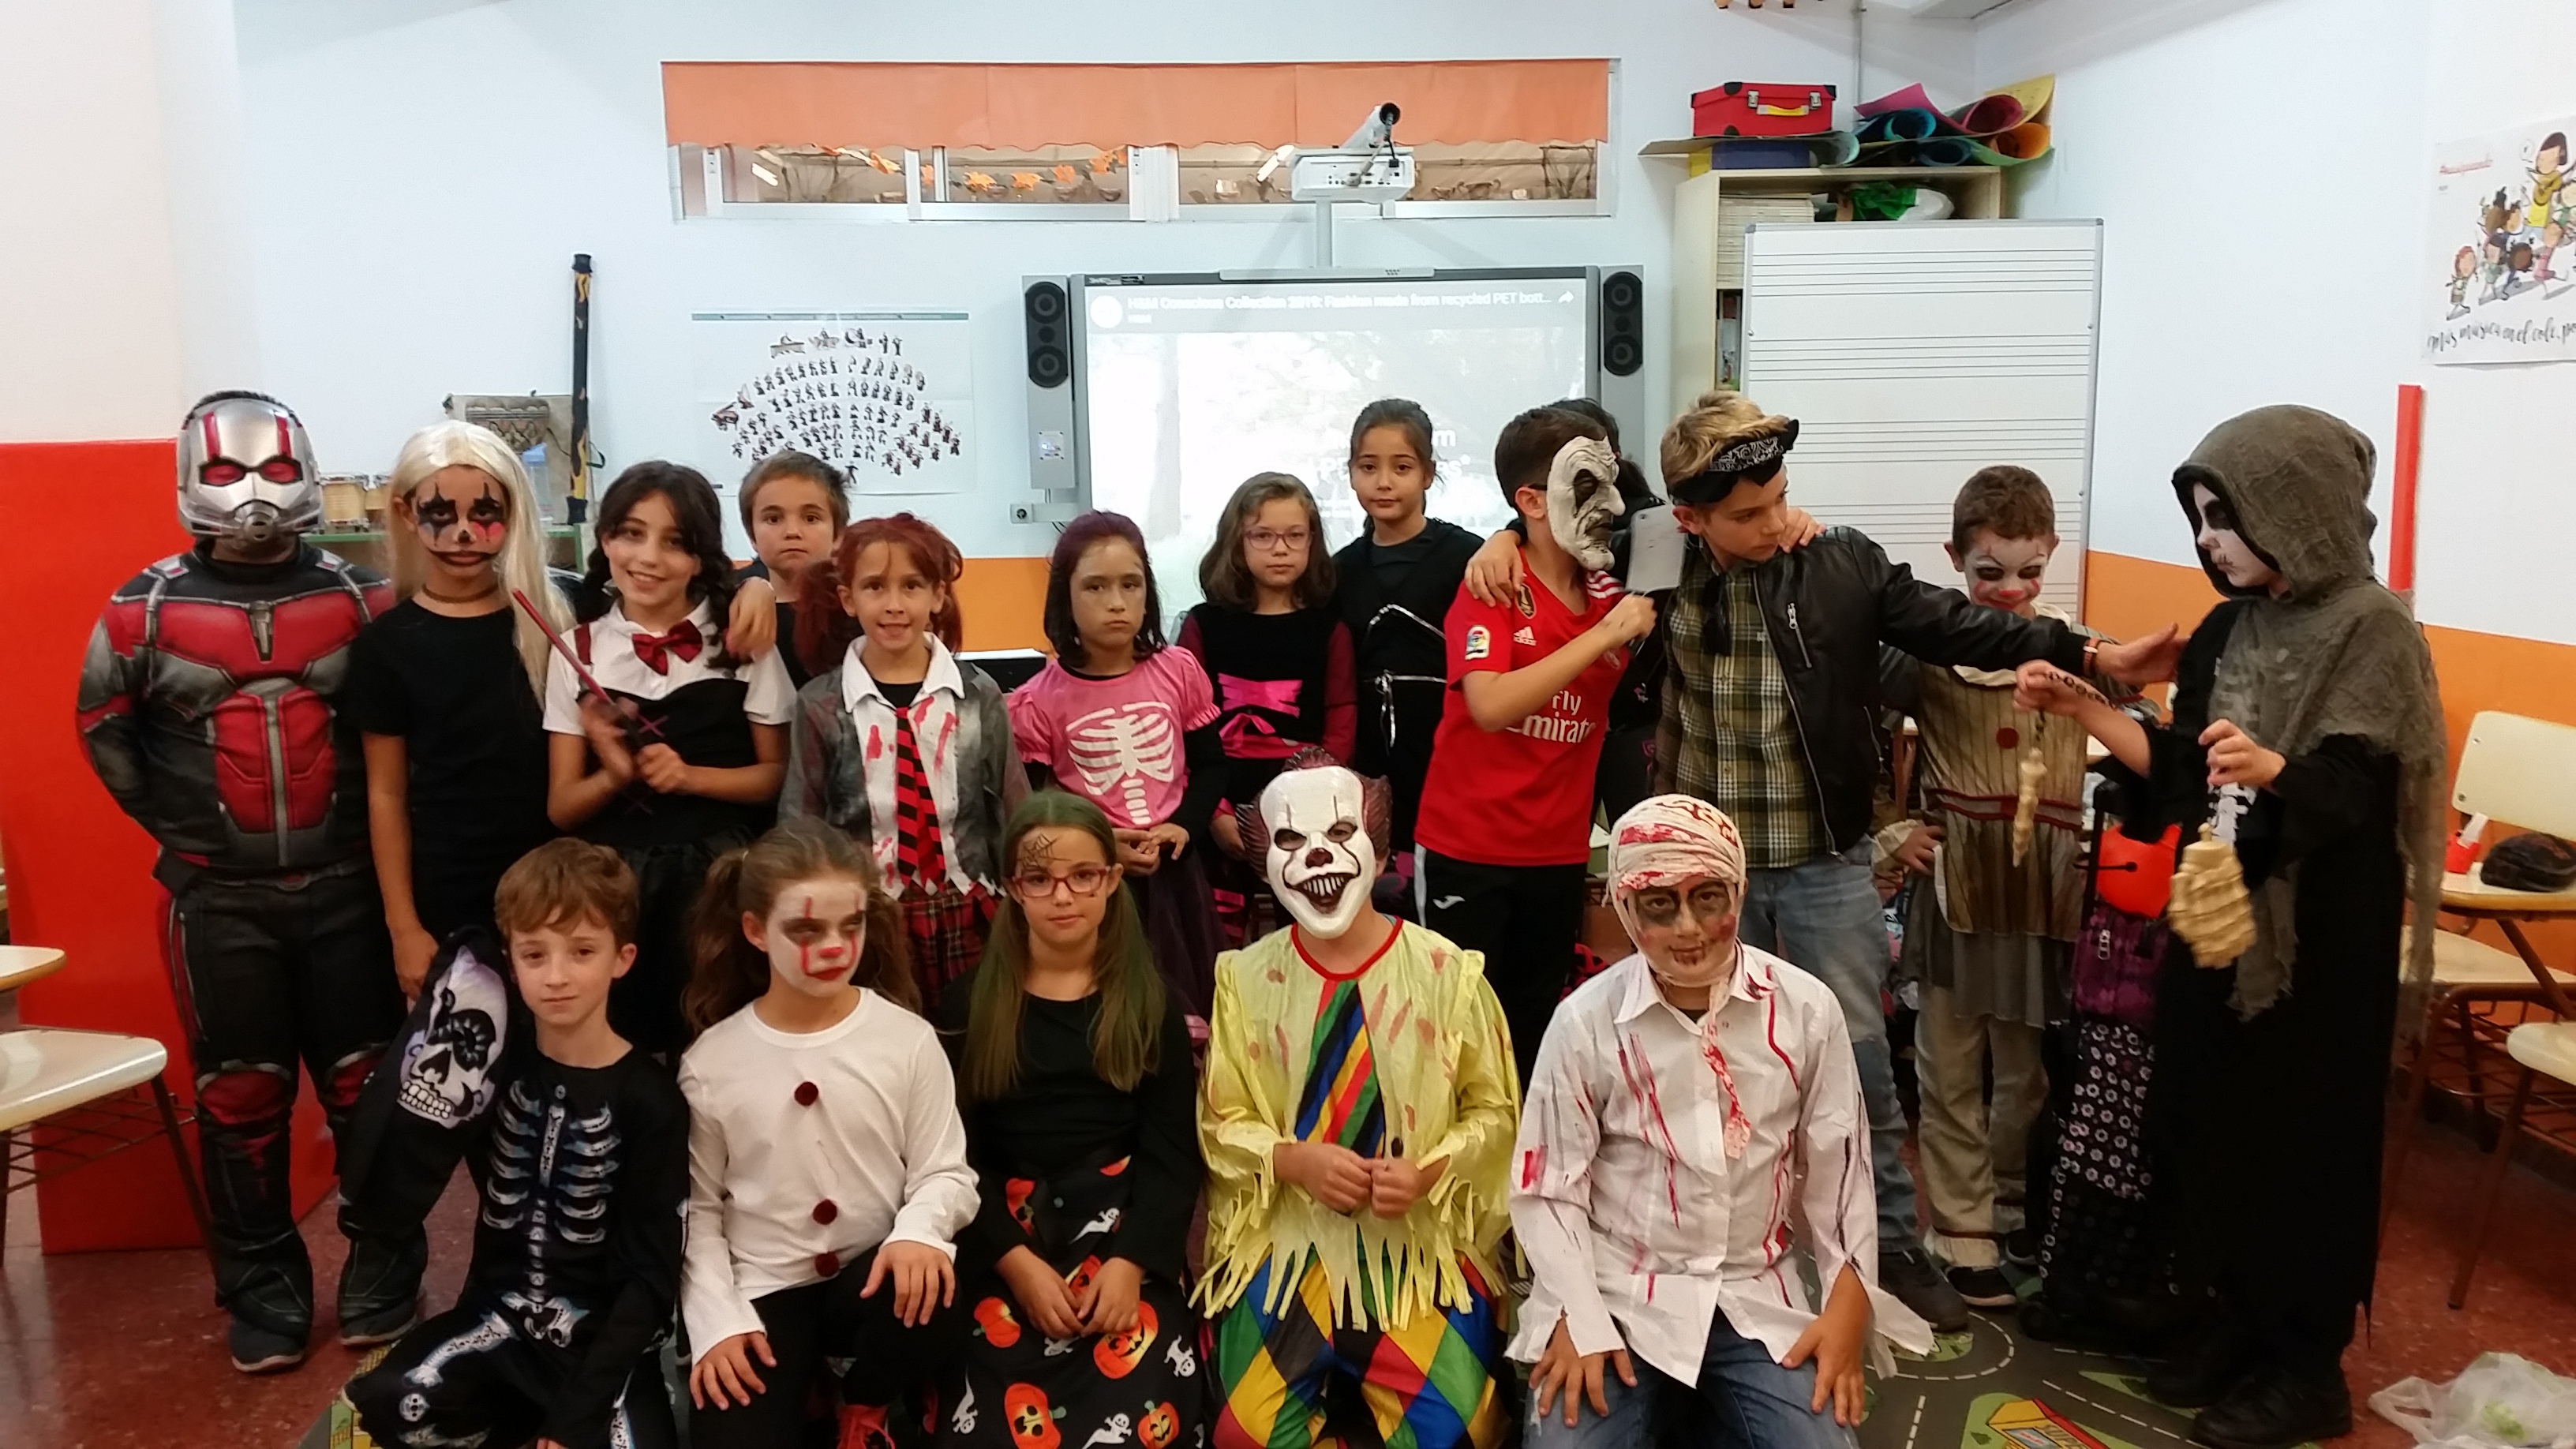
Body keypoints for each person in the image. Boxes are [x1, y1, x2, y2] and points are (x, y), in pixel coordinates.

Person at [1649, 389, 2180, 1331]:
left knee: (1860, 1060)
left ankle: (1892, 1242)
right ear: (1692, 519)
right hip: (1708, 870)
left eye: (1780, 499)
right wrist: (1503, 545)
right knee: (1706, 1055)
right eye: (1748, 514)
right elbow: (1565, 520)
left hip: (1824, 862)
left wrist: (2096, 654)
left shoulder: (1837, 561)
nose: (1775, 523)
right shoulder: (1652, 561)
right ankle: (1717, 1242)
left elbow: (1957, 624)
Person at [2014, 405, 2443, 1449]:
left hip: (2316, 948)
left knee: (2304, 1145)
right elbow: (2179, 776)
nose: (2209, 542)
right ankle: (2232, 1323)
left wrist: (2277, 770)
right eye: (2201, 519)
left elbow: (2355, 791)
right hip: (2216, 924)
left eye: (2226, 518)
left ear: (2295, 511)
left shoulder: (2373, 629)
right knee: (2208, 1123)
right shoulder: (2227, 628)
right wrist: (2086, 710)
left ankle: (2306, 1367)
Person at [74, 390, 415, 1371]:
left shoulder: (365, 600)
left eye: (275, 469)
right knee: (239, 1096)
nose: (254, 493)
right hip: (217, 901)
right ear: (192, 477)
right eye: (227, 472)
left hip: (350, 887)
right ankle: (263, 1285)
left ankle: (383, 1266)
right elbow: (104, 733)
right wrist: (191, 837)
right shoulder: (140, 611)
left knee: (369, 1089)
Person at [1511, 796, 1934, 1448]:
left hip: (1752, 1291)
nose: (1688, 928)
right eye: (1659, 904)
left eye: (1708, 897)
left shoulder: (1805, 1010)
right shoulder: (1584, 1023)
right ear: (1624, 907)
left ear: (1739, 889)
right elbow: (1548, 1188)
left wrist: (1849, 1297)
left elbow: (1841, 1169)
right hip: (1617, 1291)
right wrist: (1576, 1311)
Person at [1875, 466, 2142, 1307]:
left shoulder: (2083, 648)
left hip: (2046, 893)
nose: (2012, 590)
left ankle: (2014, 1208)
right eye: (1990, 572)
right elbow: (1853, 733)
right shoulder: (1922, 653)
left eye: (2030, 570)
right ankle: (1961, 1227)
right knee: (1950, 1065)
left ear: (2053, 552)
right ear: (1955, 557)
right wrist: (1891, 831)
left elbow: (2147, 739)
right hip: (1957, 883)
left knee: (2026, 1074)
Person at [1200, 756, 1519, 1449]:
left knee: (1460, 1431)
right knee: (1241, 1433)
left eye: (1339, 832)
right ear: (1263, 862)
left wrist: (1430, 1171)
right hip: (1291, 1248)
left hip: (1413, 1251)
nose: (1317, 855)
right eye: (1291, 840)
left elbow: (1496, 1114)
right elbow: (1222, 1119)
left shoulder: (1449, 974)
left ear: (1378, 852)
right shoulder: (1242, 980)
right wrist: (1291, 1160)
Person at [340, 840, 689, 1449]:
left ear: (623, 958)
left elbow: (651, 1280)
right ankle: (510, 1417)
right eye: (534, 954)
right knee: (377, 1408)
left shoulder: (652, 1099)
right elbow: (402, 1137)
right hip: (495, 1321)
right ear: (510, 962)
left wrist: (576, 1418)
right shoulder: (492, 1070)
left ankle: (542, 1420)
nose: (556, 976)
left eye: (582, 951)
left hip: (604, 1347)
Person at [677, 818, 979, 1449]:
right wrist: (716, 1323)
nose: (836, 948)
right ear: (755, 930)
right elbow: (698, 1213)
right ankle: (805, 1391)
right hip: (765, 1289)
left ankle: (864, 1401)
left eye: (851, 925)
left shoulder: (907, 1039)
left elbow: (944, 1171)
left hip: (873, 1280)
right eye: (806, 930)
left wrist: (918, 1232)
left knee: (938, 1287)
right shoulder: (711, 1063)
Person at [936, 791, 1207, 1449]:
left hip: (1122, 1228)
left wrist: (1132, 1263)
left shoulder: (1150, 1005)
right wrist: (1014, 1264)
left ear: (1112, 880)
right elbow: (953, 1157)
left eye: (1083, 876)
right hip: (1004, 1233)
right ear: (1013, 887)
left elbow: (1173, 1154)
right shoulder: (968, 1006)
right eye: (1040, 879)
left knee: (1144, 1422)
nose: (1063, 896)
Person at [1416, 406, 1654, 1086]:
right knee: (1458, 1036)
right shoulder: (1494, 581)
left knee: (1534, 1031)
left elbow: (1690, 521)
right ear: (1532, 500)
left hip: (1556, 852)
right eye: (1588, 485)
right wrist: (1603, 637)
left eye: (1611, 483)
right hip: (1470, 850)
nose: (1610, 505)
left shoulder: (1612, 584)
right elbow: (1490, 705)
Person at [544, 461, 795, 1055]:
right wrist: (614, 775)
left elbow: (776, 778)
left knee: (720, 1034)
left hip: (717, 878)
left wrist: (689, 777)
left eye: (675, 542)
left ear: (701, 557)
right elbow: (561, 808)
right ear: (605, 540)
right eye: (631, 534)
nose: (649, 557)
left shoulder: (741, 641)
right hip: (613, 886)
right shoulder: (576, 650)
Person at [349, 421, 571, 1000]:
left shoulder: (559, 619)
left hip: (559, 886)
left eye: (486, 513)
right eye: (441, 514)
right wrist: (403, 927)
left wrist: (750, 587)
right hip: (447, 893)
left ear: (513, 513)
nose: (465, 533)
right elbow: (386, 794)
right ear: (405, 513)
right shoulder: (386, 646)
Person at [784, 511, 1024, 1013]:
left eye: (911, 586)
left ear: (938, 596)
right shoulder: (821, 704)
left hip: (972, 909)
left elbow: (1013, 806)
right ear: (849, 598)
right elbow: (801, 826)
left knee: (976, 1037)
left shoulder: (978, 696)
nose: (894, 605)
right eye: (875, 586)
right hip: (868, 916)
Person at [1009, 510, 1226, 1022]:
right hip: (1092, 881)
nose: (1116, 602)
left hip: (1176, 874)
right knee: (1106, 1008)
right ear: (1065, 596)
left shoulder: (1178, 672)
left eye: (1130, 584)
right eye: (1095, 587)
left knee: (1189, 1006)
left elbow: (1212, 766)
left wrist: (1184, 826)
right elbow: (1035, 808)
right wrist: (1101, 844)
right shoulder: (1038, 701)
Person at [1179, 472, 1357, 945]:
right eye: (1263, 536)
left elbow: (1341, 717)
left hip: (1303, 814)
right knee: (1218, 944)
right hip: (1219, 805)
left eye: (1294, 536)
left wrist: (1314, 804)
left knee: (1310, 936)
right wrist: (1215, 813)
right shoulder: (1203, 625)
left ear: (1312, 542)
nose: (1281, 549)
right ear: (1236, 542)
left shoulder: (1329, 628)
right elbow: (1183, 725)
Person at [1330, 399, 1483, 906]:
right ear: (1351, 473)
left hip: (1449, 758)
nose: (1384, 483)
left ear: (1428, 474)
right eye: (1368, 467)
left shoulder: (1468, 557)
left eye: (1401, 468)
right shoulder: (1339, 571)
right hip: (1370, 762)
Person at [736, 449, 851, 689]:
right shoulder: (728, 599)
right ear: (751, 534)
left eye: (810, 518)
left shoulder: (856, 605)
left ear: (838, 533)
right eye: (773, 519)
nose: (792, 532)